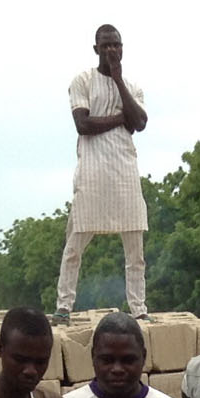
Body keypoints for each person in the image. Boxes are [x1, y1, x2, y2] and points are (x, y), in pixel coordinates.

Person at [56, 24, 148, 321]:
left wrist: (119, 81)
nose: (111, 50)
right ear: (96, 49)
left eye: (116, 45)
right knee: (75, 244)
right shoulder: (82, 81)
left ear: (123, 48)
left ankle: (139, 309)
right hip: (93, 172)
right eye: (105, 45)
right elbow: (83, 124)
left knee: (135, 252)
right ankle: (63, 306)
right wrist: (121, 117)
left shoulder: (132, 87)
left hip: (124, 171)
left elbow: (140, 123)